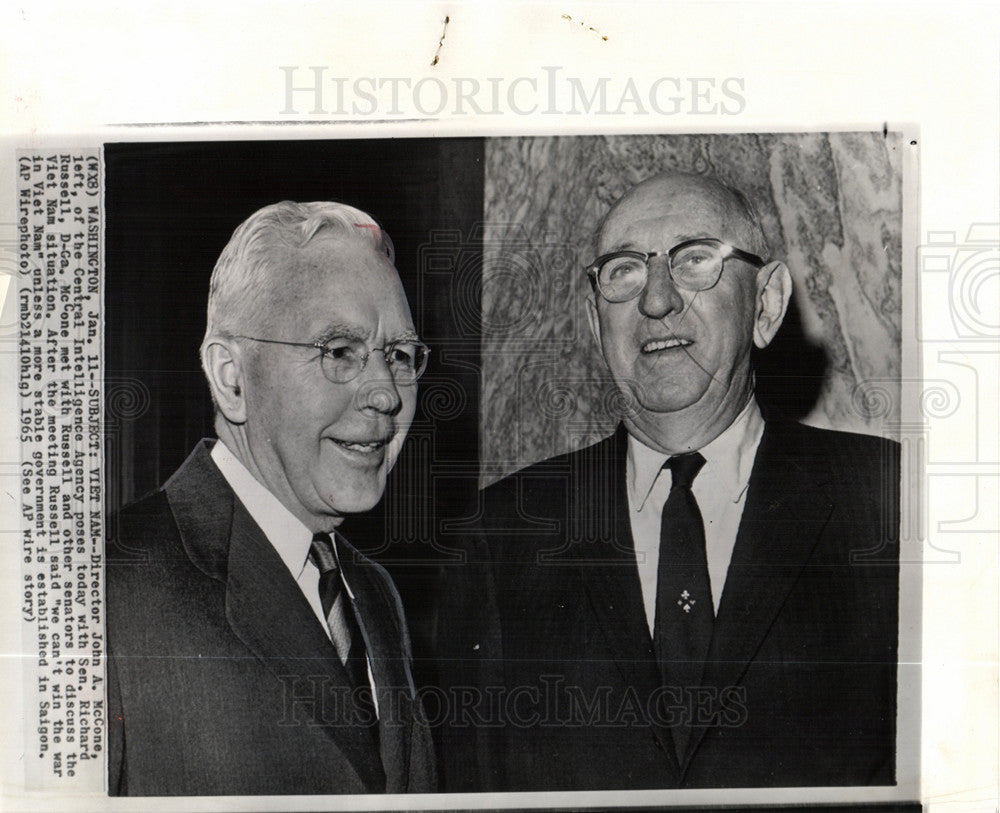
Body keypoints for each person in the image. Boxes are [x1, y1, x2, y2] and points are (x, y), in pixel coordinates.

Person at [440, 172, 899, 790]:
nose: (656, 300)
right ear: (593, 319)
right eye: (625, 270)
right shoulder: (500, 537)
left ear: (765, 304)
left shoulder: (888, 500)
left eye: (694, 260)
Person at [107, 201, 436, 795]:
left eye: (398, 355)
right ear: (233, 379)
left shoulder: (374, 593)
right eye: (339, 352)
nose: (387, 392)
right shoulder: (106, 583)